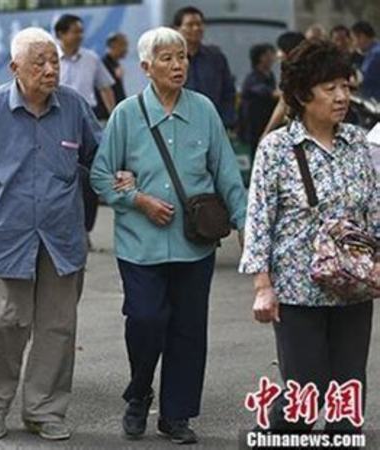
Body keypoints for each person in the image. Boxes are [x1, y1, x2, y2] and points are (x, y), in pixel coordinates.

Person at [91, 26, 248, 444]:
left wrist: (245, 225)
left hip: (194, 244)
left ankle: (176, 415)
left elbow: (227, 174)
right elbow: (101, 176)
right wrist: (139, 200)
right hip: (139, 244)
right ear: (146, 67)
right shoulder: (126, 114)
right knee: (145, 319)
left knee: (188, 329)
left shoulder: (205, 111)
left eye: (182, 57)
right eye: (166, 58)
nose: (178, 65)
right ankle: (139, 392)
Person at [0, 27, 102, 442]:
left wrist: (118, 176)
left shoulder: (73, 107)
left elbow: (97, 155)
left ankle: (44, 409)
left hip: (61, 237)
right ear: (16, 68)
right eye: (40, 63)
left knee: (57, 327)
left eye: (54, 61)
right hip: (4, 234)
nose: (51, 69)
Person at [239, 39, 378, 435]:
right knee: (305, 393)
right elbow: (260, 217)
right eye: (330, 87)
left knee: (347, 395)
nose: (341, 96)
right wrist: (262, 285)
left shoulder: (357, 143)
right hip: (298, 288)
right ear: (302, 93)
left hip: (354, 286)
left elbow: (375, 208)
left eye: (346, 87)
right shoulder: (277, 149)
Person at [54, 13, 115, 242]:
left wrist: (113, 117)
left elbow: (106, 88)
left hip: (85, 124)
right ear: (61, 34)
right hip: (56, 123)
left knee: (90, 177)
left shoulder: (91, 58)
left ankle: (85, 229)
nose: (80, 35)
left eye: (81, 31)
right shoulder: (51, 59)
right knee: (64, 176)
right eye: (75, 31)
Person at [173, 6, 236, 128]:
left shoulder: (216, 57)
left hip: (212, 124)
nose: (196, 28)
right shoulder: (171, 59)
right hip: (179, 125)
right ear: (177, 29)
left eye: (199, 24)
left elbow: (228, 91)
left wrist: (225, 121)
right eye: (190, 25)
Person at [260, 31, 306, 138]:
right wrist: (267, 132)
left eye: (281, 50)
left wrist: (266, 133)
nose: (278, 54)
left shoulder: (299, 75)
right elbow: (282, 103)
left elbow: (282, 105)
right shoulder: (289, 73)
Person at [238, 43, 278, 156]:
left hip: (267, 122)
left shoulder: (270, 76)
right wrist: (274, 93)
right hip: (254, 126)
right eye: (269, 54)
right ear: (261, 58)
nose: (272, 58)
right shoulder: (253, 78)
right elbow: (260, 90)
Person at [94, 32, 128, 120]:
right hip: (105, 117)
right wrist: (113, 115)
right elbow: (106, 90)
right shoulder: (103, 65)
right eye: (123, 45)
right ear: (113, 45)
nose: (126, 49)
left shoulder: (115, 64)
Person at [351, 21, 380, 101]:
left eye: (354, 39)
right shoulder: (373, 52)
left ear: (362, 37)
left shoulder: (375, 55)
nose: (354, 44)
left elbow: (363, 81)